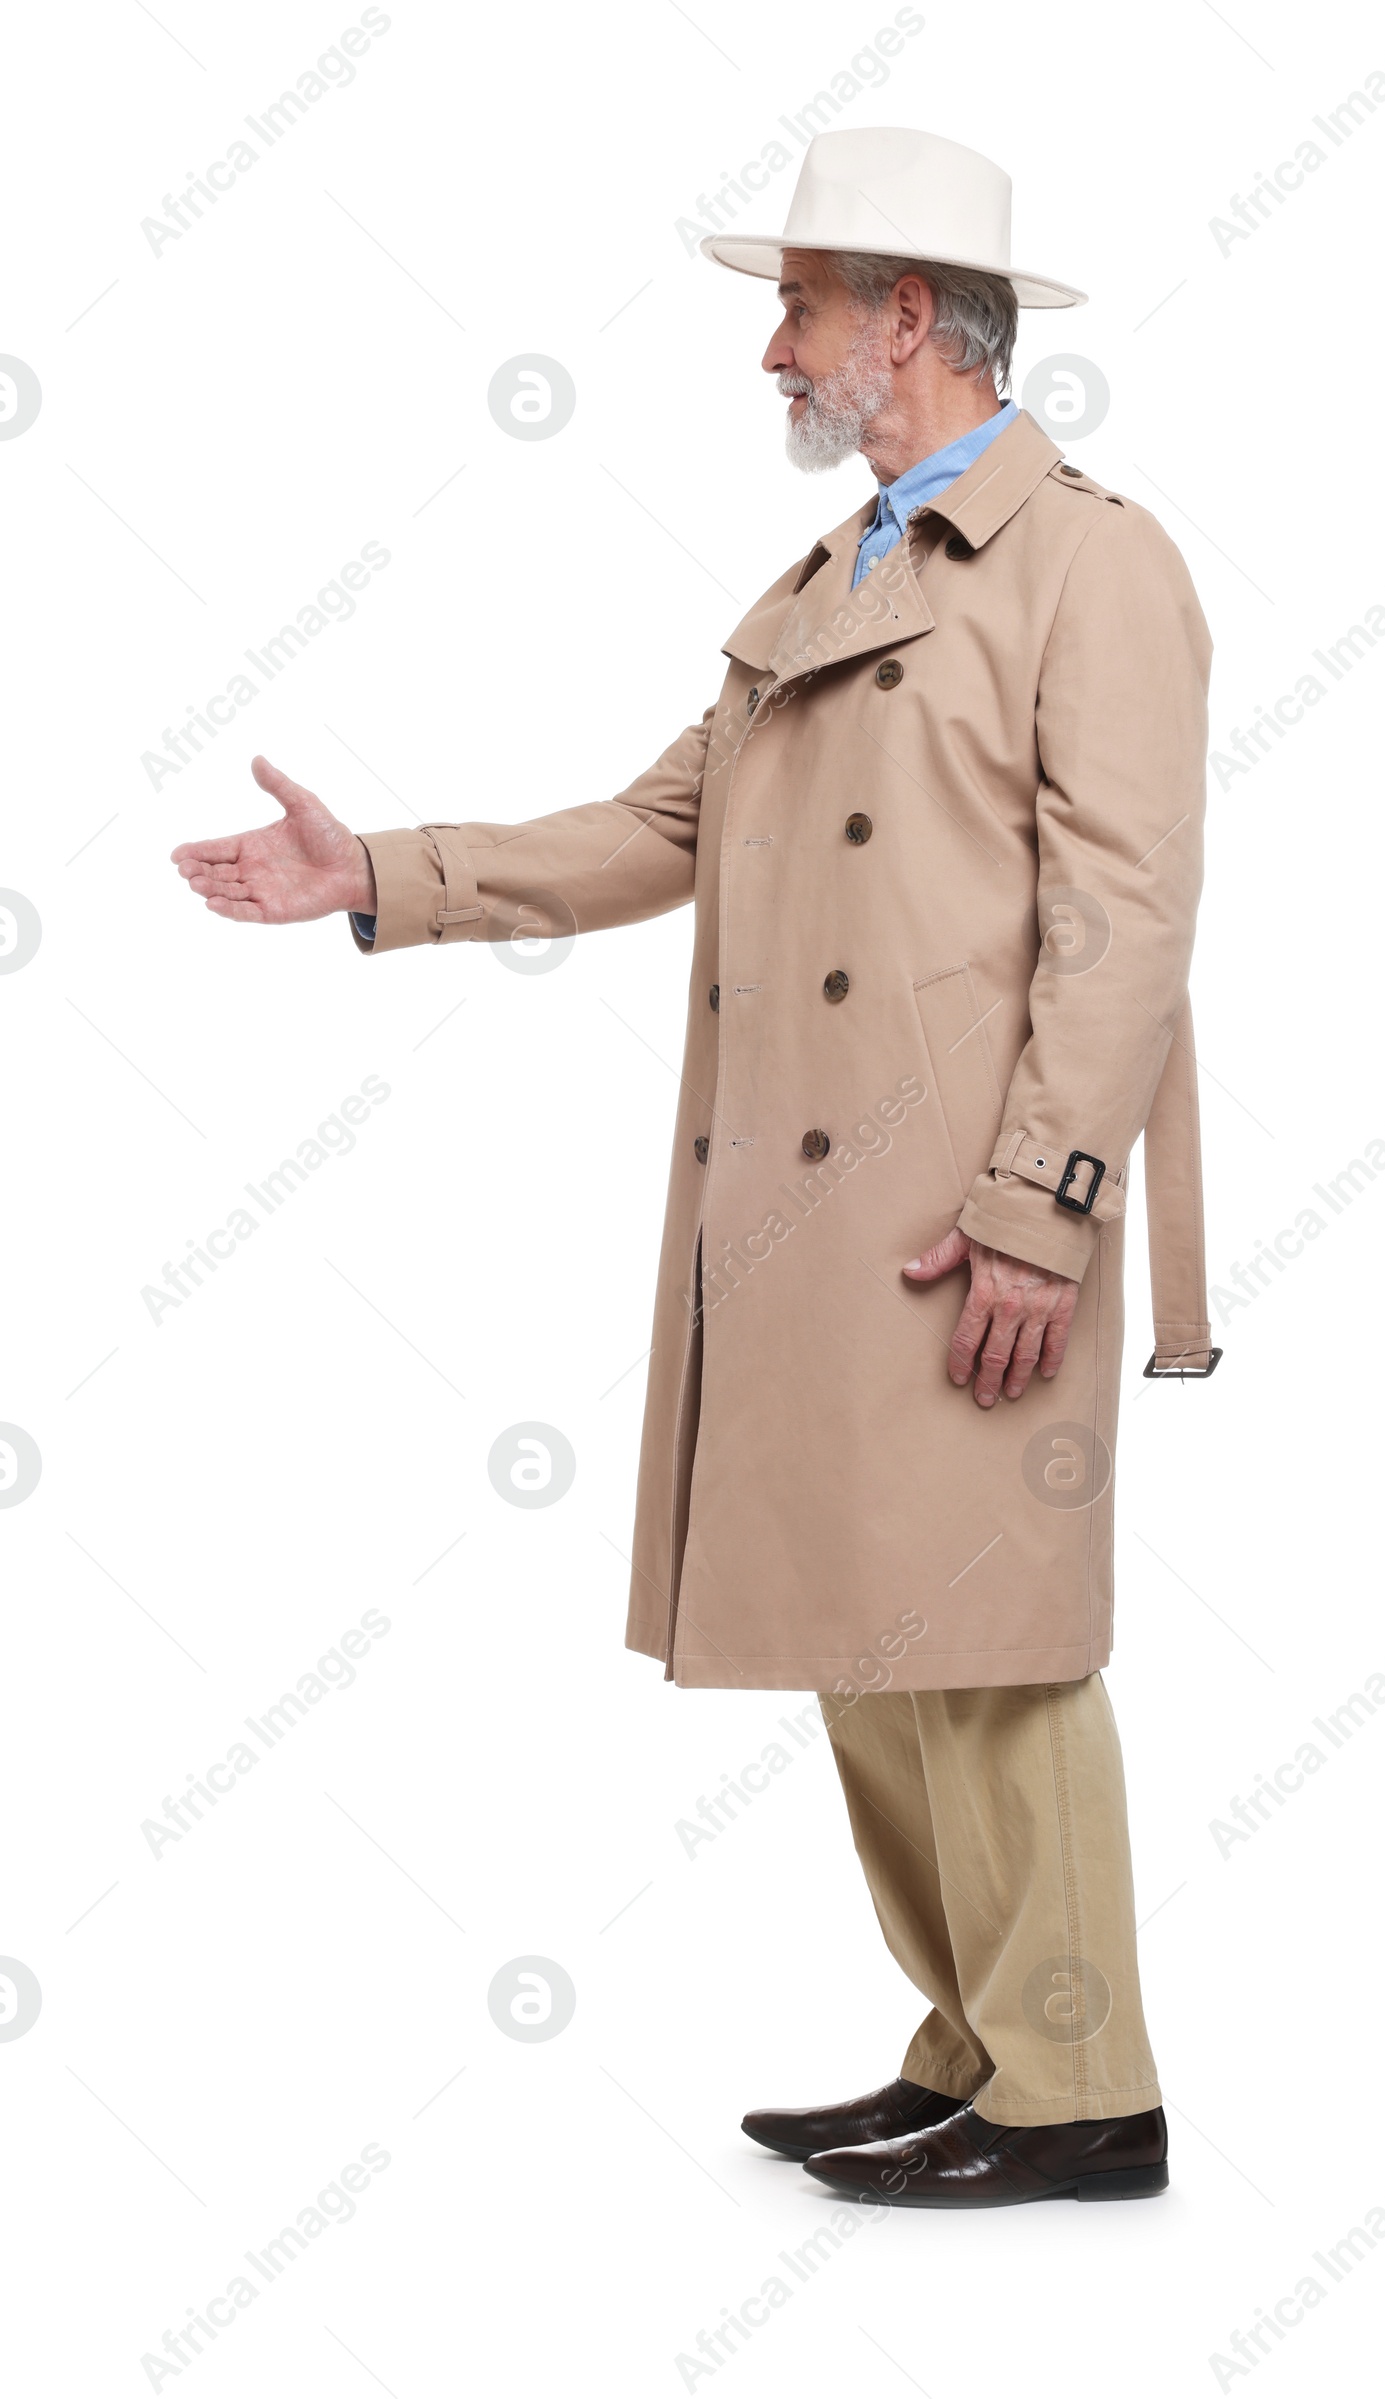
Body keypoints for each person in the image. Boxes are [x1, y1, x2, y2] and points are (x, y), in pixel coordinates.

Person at [173, 126, 1220, 2209]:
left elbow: (1127, 914)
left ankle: (1080, 2091)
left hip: (970, 1224)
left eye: (800, 306)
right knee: (863, 1636)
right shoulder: (821, 580)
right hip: (811, 1232)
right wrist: (379, 872)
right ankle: (976, 2045)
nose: (771, 347)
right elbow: (659, 827)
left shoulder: (1094, 564)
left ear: (904, 320)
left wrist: (1039, 1207)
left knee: (991, 1650)